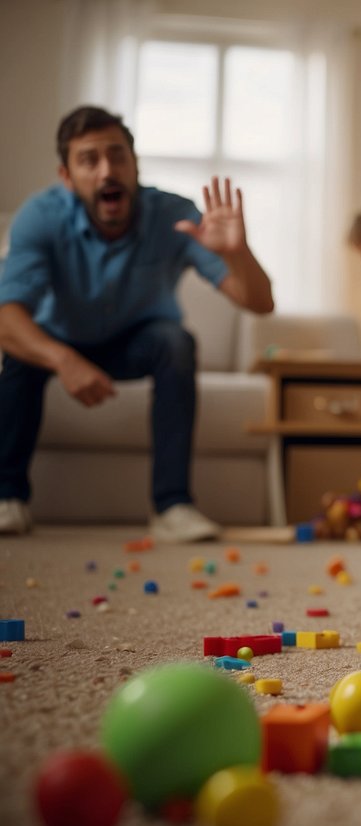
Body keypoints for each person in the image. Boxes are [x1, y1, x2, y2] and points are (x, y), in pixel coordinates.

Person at [0, 105, 274, 541]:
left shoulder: (175, 216)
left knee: (176, 343)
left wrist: (237, 253)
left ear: (135, 164)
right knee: (17, 351)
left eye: (118, 155)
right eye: (90, 159)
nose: (108, 170)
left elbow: (260, 303)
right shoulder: (40, 217)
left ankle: (173, 506)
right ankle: (6, 497)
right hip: (59, 338)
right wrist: (64, 360)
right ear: (67, 177)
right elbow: (7, 317)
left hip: (137, 339)